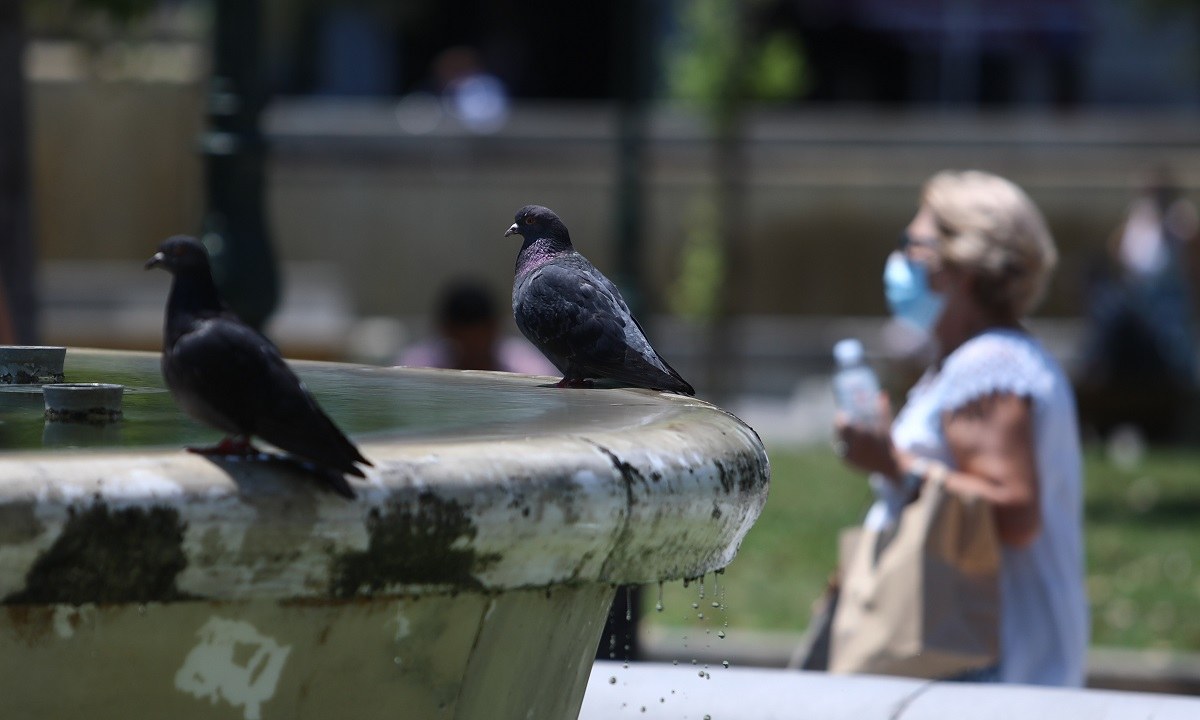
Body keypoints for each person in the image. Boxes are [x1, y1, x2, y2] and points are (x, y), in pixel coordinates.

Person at [834, 170, 1088, 686]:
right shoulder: (981, 360)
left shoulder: (988, 366)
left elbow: (1014, 513)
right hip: (992, 660)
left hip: (996, 672)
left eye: (914, 245)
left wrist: (892, 463)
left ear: (963, 265)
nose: (900, 259)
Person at [397, 278, 555, 375]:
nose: (473, 351)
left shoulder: (527, 368)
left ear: (495, 329)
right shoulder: (417, 367)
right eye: (464, 343)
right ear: (445, 331)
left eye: (479, 343)